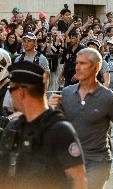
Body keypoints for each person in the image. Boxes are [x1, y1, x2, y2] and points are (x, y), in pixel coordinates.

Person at [49, 48, 113, 189]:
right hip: (70, 160)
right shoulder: (67, 93)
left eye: (83, 63)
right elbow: (57, 127)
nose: (77, 67)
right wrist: (52, 108)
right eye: (77, 63)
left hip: (98, 161)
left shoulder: (108, 97)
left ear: (96, 66)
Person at [0, 60, 87, 189]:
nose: (9, 95)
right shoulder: (14, 127)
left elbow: (79, 180)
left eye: (10, 89)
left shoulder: (60, 131)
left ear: (21, 92)